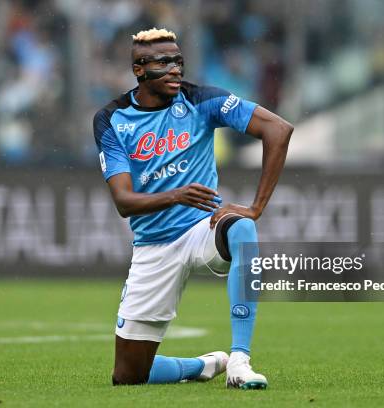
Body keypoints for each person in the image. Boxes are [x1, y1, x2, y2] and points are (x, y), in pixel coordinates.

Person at [93, 28, 293, 389]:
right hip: (153, 246)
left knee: (243, 229)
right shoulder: (112, 120)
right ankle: (203, 365)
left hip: (202, 229)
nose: (175, 70)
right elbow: (124, 202)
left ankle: (240, 360)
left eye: (178, 61)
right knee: (129, 376)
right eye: (163, 62)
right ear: (139, 70)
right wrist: (176, 195)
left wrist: (256, 207)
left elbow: (278, 130)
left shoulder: (201, 100)